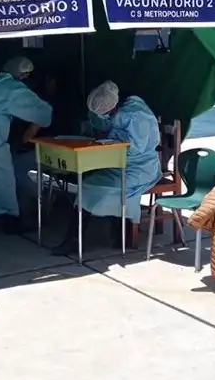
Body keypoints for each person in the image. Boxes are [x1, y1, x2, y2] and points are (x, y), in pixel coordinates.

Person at [53, 80, 162, 255]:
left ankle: (75, 239)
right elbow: (105, 126)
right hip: (119, 165)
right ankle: (79, 237)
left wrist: (109, 146)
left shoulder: (137, 116)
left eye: (107, 114)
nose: (106, 116)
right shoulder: (121, 109)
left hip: (140, 168)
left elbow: (135, 149)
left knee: (89, 187)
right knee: (89, 182)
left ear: (113, 106)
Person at [0, 56, 53, 234]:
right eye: (25, 76)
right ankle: (9, 220)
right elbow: (42, 111)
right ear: (20, 74)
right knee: (4, 181)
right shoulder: (12, 89)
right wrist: (36, 125)